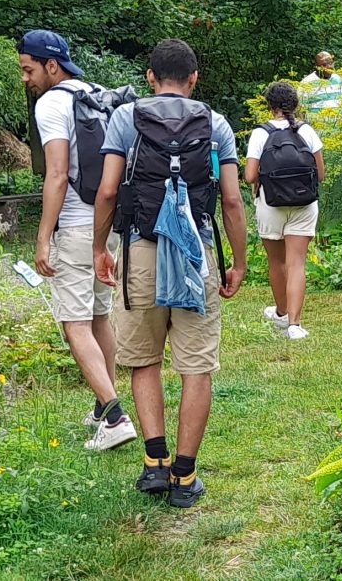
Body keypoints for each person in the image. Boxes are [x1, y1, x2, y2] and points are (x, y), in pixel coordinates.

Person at [92, 39, 247, 508]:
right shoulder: (215, 123)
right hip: (195, 251)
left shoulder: (126, 118)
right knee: (196, 365)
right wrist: (238, 263)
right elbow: (234, 200)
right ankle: (186, 474)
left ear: (149, 77)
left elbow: (106, 191)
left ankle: (155, 465)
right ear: (194, 78)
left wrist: (102, 247)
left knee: (145, 360)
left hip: (142, 248)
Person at [17, 29, 137, 451]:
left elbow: (56, 172)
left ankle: (116, 416)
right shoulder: (98, 93)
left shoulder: (52, 103)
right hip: (107, 224)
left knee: (74, 324)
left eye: (29, 69)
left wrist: (43, 237)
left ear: (52, 65)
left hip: (73, 225)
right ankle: (103, 406)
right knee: (99, 316)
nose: (25, 79)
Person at [244, 82, 325, 340]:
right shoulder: (307, 131)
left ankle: (280, 312)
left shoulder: (260, 134)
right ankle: (294, 324)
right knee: (296, 263)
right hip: (304, 204)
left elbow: (249, 176)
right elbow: (320, 175)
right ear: (296, 104)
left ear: (270, 106)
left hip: (270, 204)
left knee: (276, 262)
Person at [300, 51, 342, 117]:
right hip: (315, 125)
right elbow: (300, 109)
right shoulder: (307, 82)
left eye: (331, 63)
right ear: (317, 66)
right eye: (324, 65)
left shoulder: (338, 79)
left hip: (338, 125)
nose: (329, 67)